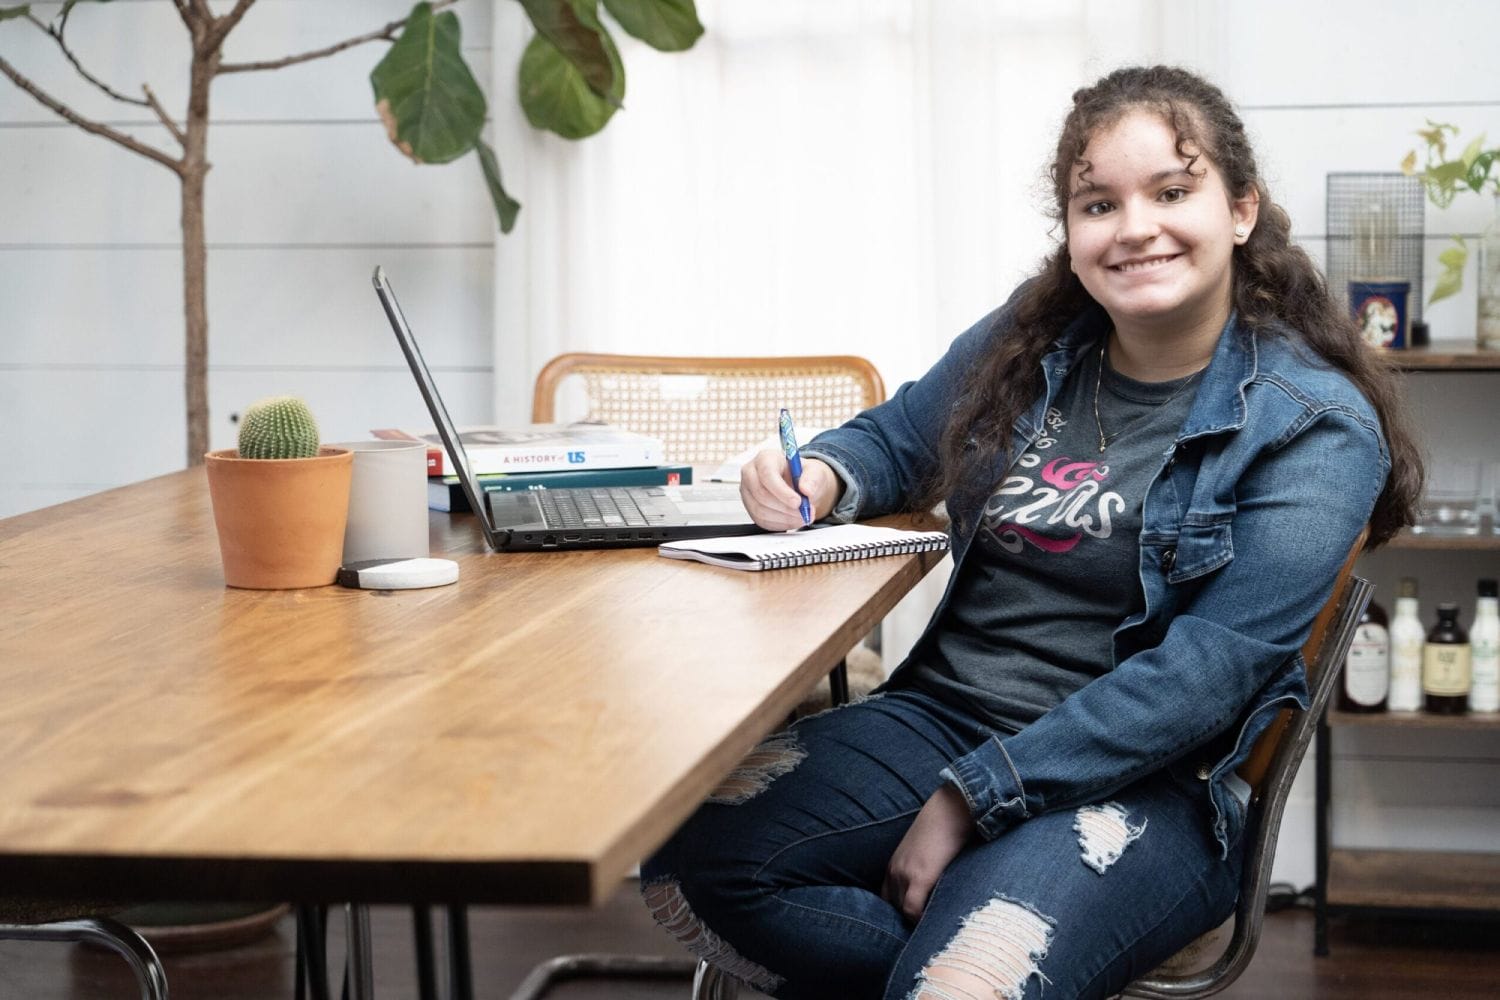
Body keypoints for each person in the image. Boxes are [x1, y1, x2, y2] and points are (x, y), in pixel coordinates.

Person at [640, 64, 1423, 1000]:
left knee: (969, 981)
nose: (1135, 228)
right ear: (1072, 231)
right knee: (688, 863)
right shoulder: (1040, 334)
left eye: (1173, 192)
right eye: (1100, 204)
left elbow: (1207, 674)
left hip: (1147, 782)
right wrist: (821, 471)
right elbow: (899, 437)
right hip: (940, 716)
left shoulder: (1313, 424)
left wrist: (976, 794)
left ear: (1242, 210)